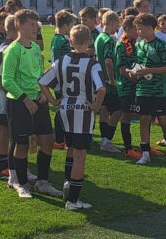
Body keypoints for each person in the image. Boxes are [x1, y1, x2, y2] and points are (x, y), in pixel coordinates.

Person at [40, 24, 105, 210]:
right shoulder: (92, 64)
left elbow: (43, 82)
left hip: (65, 109)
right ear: (89, 42)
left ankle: (67, 185)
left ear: (71, 41)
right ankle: (73, 200)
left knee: (70, 148)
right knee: (80, 155)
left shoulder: (61, 61)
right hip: (82, 110)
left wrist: (54, 101)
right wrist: (96, 106)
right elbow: (101, 89)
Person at [2, 9, 62, 199]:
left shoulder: (36, 48)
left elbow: (38, 75)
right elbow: (7, 80)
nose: (35, 28)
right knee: (21, 145)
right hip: (19, 103)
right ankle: (21, 183)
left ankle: (43, 182)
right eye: (31, 24)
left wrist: (43, 93)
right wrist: (26, 99)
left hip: (38, 100)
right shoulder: (12, 50)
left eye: (36, 24)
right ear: (19, 25)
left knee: (47, 140)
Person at [133, 13, 166, 166]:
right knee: (144, 119)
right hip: (142, 89)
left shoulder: (160, 45)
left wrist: (149, 71)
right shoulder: (139, 44)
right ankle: (145, 153)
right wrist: (134, 71)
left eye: (140, 29)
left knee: (162, 119)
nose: (138, 32)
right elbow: (139, 64)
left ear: (149, 28)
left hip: (159, 90)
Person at [0, 15, 18, 179]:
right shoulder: (7, 47)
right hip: (3, 97)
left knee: (7, 130)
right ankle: (3, 166)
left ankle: (9, 163)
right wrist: (2, 85)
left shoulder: (9, 45)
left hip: (7, 95)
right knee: (5, 131)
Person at [94, 11, 121, 153]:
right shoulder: (109, 40)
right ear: (111, 23)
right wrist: (112, 79)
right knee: (117, 111)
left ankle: (104, 140)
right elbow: (108, 61)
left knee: (104, 109)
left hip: (100, 80)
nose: (118, 26)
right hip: (108, 83)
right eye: (117, 23)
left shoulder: (99, 37)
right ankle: (107, 141)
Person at [114, 16, 141, 159]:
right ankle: (128, 148)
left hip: (137, 84)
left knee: (143, 114)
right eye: (135, 29)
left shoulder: (136, 42)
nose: (138, 31)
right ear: (127, 29)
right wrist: (137, 80)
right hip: (126, 87)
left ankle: (145, 146)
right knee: (126, 115)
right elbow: (122, 69)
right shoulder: (121, 45)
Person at [50, 10, 75, 150]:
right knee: (62, 109)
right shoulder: (63, 40)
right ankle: (60, 140)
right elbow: (65, 60)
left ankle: (60, 138)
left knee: (62, 108)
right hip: (62, 78)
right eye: (72, 24)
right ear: (66, 25)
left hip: (57, 76)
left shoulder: (55, 38)